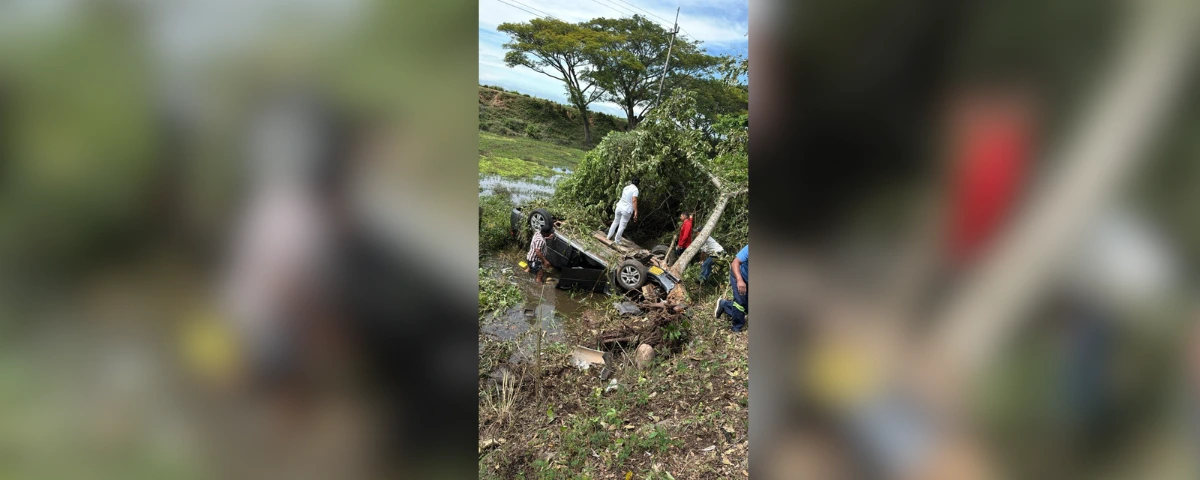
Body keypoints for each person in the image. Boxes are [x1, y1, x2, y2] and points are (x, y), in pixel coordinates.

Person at [715, 245, 748, 332]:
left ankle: (724, 304)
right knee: (740, 303)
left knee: (747, 308)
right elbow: (735, 263)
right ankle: (736, 327)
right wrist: (739, 280)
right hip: (739, 275)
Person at [605, 176, 639, 244]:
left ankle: (608, 237)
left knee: (615, 222)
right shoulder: (635, 190)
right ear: (638, 184)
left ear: (631, 181)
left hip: (619, 206)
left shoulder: (626, 187)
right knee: (622, 225)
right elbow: (634, 200)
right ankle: (617, 240)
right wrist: (635, 211)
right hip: (627, 209)